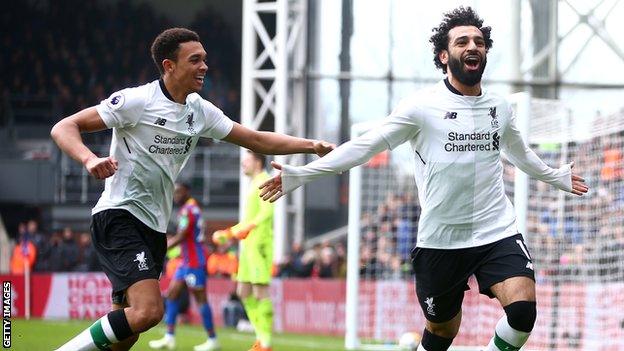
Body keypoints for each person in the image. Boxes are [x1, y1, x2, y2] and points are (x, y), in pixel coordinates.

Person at [258, 7, 589, 351]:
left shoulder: (500, 108)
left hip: (496, 230)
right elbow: (365, 146)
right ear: (444, 55)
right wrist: (301, 175)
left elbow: (520, 153)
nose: (472, 46)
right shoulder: (421, 107)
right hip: (441, 240)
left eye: (479, 41)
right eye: (462, 41)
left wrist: (555, 177)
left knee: (522, 312)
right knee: (443, 332)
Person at [51, 27, 333, 351]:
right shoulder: (137, 101)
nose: (204, 66)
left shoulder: (199, 111)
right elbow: (64, 127)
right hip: (119, 215)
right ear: (169, 66)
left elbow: (255, 139)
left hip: (154, 228)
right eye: (195, 60)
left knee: (127, 330)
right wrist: (88, 159)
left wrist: (310, 145)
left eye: (205, 59)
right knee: (148, 312)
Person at [212, 151, 275, 351]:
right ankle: (260, 339)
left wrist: (249, 228)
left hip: (260, 246)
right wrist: (229, 233)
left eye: (246, 161)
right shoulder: (252, 184)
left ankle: (266, 343)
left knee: (260, 292)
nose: (243, 164)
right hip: (248, 247)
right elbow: (248, 220)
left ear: (257, 162)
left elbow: (267, 212)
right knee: (243, 292)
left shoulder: (265, 181)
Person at [148, 182, 219, 350]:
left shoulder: (189, 210)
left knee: (200, 299)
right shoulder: (192, 208)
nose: (176, 196)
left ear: (187, 191)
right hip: (186, 261)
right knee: (172, 294)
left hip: (195, 262)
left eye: (179, 192)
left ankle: (212, 339)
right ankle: (169, 337)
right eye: (174, 193)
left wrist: (161, 249)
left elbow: (181, 236)